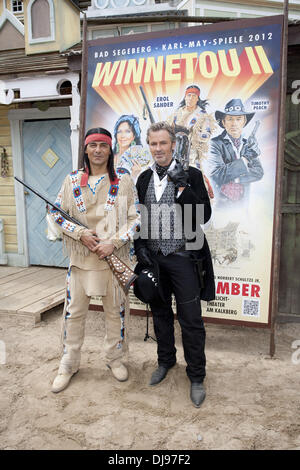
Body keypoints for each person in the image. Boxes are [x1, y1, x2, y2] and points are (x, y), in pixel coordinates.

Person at [50, 127, 140, 393]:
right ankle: (69, 363)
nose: (98, 150)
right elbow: (55, 213)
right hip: (80, 261)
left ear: (110, 149)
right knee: (74, 313)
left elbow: (137, 218)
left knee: (116, 314)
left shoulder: (123, 180)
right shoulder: (71, 180)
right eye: (93, 145)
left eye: (103, 145)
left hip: (113, 259)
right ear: (86, 149)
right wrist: (79, 233)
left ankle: (114, 358)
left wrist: (115, 242)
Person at [134, 121, 215, 408]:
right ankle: (165, 361)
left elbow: (203, 216)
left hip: (184, 258)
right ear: (150, 145)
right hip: (156, 259)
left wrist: (182, 187)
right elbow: (143, 220)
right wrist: (140, 249)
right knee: (160, 315)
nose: (158, 148)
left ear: (173, 144)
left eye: (163, 143)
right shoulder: (143, 178)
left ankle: (196, 375)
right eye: (153, 144)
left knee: (191, 320)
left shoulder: (192, 175)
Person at [204, 98, 264, 210]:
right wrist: (246, 159)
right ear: (223, 122)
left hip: (243, 207)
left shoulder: (247, 144)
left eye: (238, 119)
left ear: (244, 121)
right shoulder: (214, 144)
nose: (234, 123)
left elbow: (258, 172)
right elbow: (218, 175)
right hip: (221, 207)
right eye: (230, 119)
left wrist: (236, 179)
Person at [113, 114, 152, 180]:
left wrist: (134, 175)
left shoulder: (141, 161)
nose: (122, 136)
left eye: (127, 131)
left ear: (134, 135)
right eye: (119, 132)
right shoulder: (108, 156)